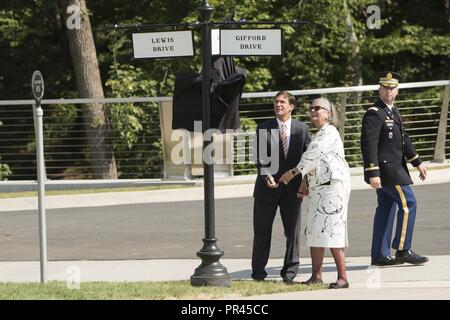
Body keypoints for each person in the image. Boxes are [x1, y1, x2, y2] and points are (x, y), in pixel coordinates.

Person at [280, 97, 351, 289]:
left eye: (318, 108)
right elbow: (314, 162)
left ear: (328, 113)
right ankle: (316, 276)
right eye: (311, 108)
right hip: (318, 188)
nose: (313, 111)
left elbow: (314, 155)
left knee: (333, 231)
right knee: (314, 231)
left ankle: (343, 277)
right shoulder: (318, 134)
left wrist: (293, 173)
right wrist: (304, 181)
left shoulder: (329, 132)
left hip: (333, 189)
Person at [360, 71, 429, 266]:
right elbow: (368, 144)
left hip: (396, 169)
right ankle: (403, 249)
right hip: (387, 172)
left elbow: (403, 139)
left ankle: (380, 254)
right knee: (409, 204)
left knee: (386, 208)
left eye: (392, 88)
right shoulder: (374, 113)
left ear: (397, 90)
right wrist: (372, 172)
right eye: (385, 87)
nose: (389, 91)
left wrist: (417, 162)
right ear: (379, 89)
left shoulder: (393, 111)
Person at [252, 90, 311, 284]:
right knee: (262, 231)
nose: (278, 105)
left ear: (291, 107)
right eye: (276, 102)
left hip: (293, 190)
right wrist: (266, 176)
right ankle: (258, 273)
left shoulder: (302, 129)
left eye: (282, 102)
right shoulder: (263, 128)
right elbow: (259, 158)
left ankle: (290, 272)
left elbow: (309, 159)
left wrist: (305, 182)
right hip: (266, 188)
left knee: (292, 232)